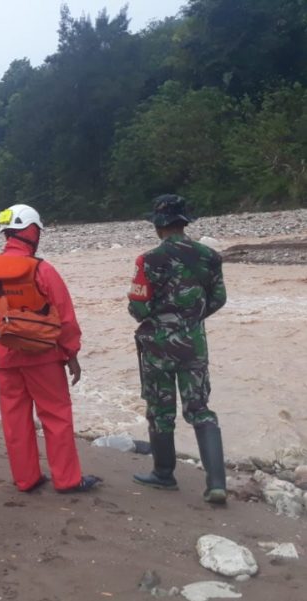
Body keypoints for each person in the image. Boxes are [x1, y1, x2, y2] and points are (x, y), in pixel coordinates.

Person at [0, 204, 100, 494]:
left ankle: (26, 479)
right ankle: (67, 480)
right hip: (43, 356)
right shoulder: (43, 270)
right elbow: (65, 317)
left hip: (4, 356)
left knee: (15, 422)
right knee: (55, 416)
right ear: (31, 231)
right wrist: (72, 355)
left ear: (7, 234)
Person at [129, 194, 228, 504]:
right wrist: (192, 319)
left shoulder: (149, 260)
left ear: (158, 226)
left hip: (157, 347)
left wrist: (161, 320)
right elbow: (218, 298)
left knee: (160, 410)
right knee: (200, 408)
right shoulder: (210, 256)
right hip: (194, 345)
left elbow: (137, 307)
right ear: (185, 222)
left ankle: (163, 474)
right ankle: (216, 483)